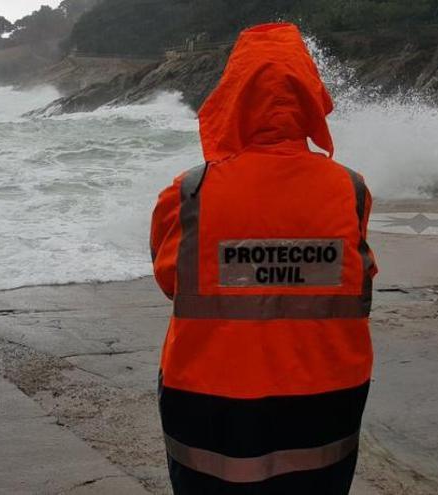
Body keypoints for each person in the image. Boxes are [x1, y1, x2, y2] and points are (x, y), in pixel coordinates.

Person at [150, 23, 378, 494]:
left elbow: (172, 277)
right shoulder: (350, 189)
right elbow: (360, 283)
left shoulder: (189, 191)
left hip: (208, 405)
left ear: (231, 93)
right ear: (312, 94)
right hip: (327, 404)